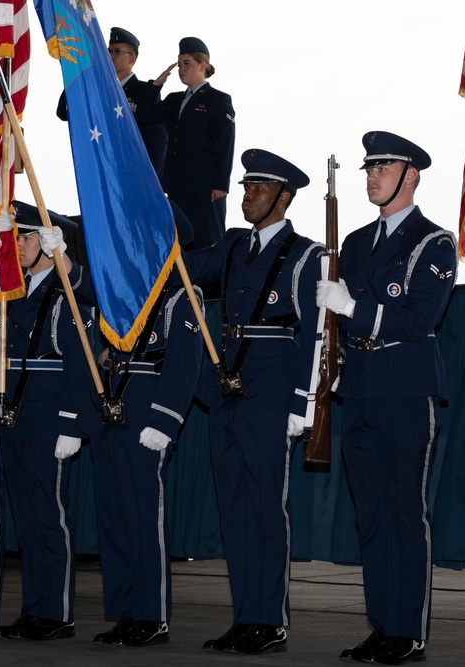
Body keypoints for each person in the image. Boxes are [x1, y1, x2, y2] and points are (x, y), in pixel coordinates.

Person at [315, 131, 457, 665]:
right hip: (361, 389)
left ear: (411, 175)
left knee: (404, 511)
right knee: (369, 515)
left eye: (384, 166)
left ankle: (410, 629)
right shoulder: (353, 243)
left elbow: (421, 320)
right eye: (369, 168)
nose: (373, 175)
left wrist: (353, 308)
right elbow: (333, 328)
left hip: (405, 388)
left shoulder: (434, 242)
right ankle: (383, 623)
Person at [181, 149, 324, 654]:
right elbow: (187, 265)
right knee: (234, 511)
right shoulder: (234, 245)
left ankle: (271, 618)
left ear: (283, 197)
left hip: (272, 392)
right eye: (244, 188)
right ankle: (245, 616)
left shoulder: (308, 255)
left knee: (266, 508)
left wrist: (302, 403)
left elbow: (315, 335)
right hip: (229, 392)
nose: (247, 196)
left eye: (258, 189)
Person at [57, 202, 204, 648]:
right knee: (114, 519)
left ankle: (152, 614)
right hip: (111, 415)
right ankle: (124, 611)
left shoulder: (182, 296)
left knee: (145, 519)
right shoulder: (124, 294)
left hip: (146, 417)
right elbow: (85, 293)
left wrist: (166, 419)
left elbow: (184, 366)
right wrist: (63, 257)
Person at [0, 201, 94, 642]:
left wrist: (71, 423)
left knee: (49, 515)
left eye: (29, 237)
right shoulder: (14, 288)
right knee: (27, 517)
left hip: (49, 415)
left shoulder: (67, 289)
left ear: (52, 244)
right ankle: (35, 609)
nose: (23, 245)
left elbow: (78, 361)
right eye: (21, 237)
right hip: (14, 414)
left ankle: (56, 614)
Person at [156, 37, 235, 254]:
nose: (182, 69)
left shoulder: (217, 100)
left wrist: (221, 184)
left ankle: (210, 289)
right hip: (176, 184)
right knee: (179, 245)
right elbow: (147, 114)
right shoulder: (173, 100)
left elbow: (227, 144)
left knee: (207, 243)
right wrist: (156, 86)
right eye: (180, 64)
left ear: (203, 66)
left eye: (187, 63)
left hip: (206, 187)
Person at [57, 27, 168, 182]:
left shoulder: (144, 92)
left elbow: (157, 140)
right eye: (108, 52)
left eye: (116, 52)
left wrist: (151, 179)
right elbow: (63, 112)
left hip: (133, 174)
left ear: (131, 58)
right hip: (102, 172)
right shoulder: (97, 90)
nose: (110, 56)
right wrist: (79, 74)